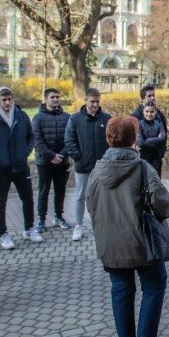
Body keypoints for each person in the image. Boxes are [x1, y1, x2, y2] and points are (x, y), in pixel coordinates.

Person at [86, 116, 169, 337]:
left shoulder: (96, 171)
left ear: (108, 138)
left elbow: (90, 205)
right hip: (142, 241)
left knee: (121, 289)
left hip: (110, 243)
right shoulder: (143, 168)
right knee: (154, 285)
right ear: (135, 139)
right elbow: (163, 204)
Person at [0, 86, 40, 250]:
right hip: (1, 169)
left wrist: (25, 152)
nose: (7, 102)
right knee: (0, 202)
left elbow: (31, 137)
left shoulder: (21, 116)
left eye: (9, 99)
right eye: (4, 99)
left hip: (20, 166)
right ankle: (3, 234)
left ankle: (29, 229)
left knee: (27, 199)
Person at [65, 88, 111, 241]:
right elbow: (69, 140)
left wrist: (108, 158)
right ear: (85, 100)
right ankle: (78, 226)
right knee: (80, 196)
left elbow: (112, 140)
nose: (95, 104)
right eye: (92, 101)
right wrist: (78, 157)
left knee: (102, 197)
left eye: (97, 101)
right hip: (83, 166)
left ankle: (101, 225)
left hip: (102, 167)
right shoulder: (75, 119)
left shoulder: (106, 118)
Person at [31, 88, 72, 233]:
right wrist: (51, 156)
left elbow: (70, 138)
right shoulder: (37, 118)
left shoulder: (67, 117)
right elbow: (37, 140)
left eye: (57, 97)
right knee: (44, 191)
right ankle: (41, 220)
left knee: (60, 191)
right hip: (44, 162)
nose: (56, 99)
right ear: (46, 99)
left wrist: (60, 155)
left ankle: (59, 216)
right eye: (52, 97)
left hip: (62, 161)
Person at [136, 101, 167, 176]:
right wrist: (156, 143)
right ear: (143, 111)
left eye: (152, 112)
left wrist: (147, 140)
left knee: (156, 184)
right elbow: (140, 143)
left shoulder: (158, 124)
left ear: (155, 112)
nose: (149, 114)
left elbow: (163, 138)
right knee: (144, 185)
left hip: (156, 160)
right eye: (147, 111)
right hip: (143, 159)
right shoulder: (139, 124)